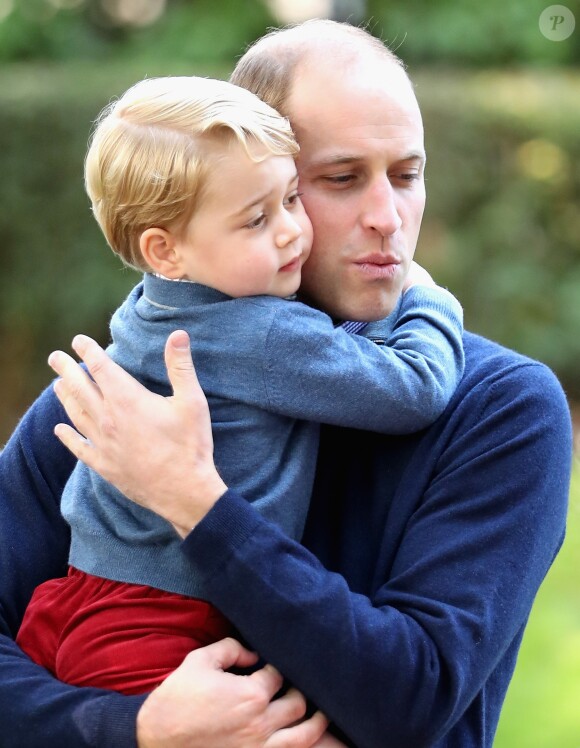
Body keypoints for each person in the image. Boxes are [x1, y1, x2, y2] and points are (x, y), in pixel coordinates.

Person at [0, 18, 572, 748]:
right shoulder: (126, 398)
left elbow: (412, 699)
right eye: (338, 180)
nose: (386, 218)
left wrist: (196, 503)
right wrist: (133, 728)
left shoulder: (502, 409)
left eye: (407, 175)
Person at [14, 73, 464, 698]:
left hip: (78, 601)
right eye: (256, 219)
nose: (288, 232)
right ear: (165, 251)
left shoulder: (150, 312)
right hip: (162, 623)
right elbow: (412, 387)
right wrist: (425, 295)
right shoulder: (258, 332)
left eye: (289, 199)